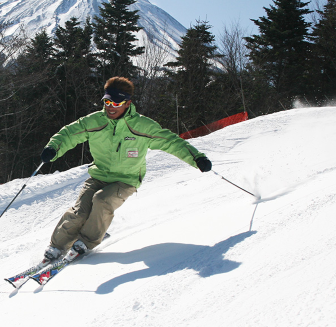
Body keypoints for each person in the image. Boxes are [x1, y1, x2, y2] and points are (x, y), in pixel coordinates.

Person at [39, 76, 211, 262]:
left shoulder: (141, 126)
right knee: (80, 212)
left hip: (126, 180)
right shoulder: (96, 121)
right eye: (107, 101)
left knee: (102, 200)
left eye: (116, 102)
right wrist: (53, 148)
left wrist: (197, 158)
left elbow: (171, 142)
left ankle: (86, 241)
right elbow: (69, 133)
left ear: (127, 103)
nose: (110, 106)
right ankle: (57, 246)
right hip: (99, 176)